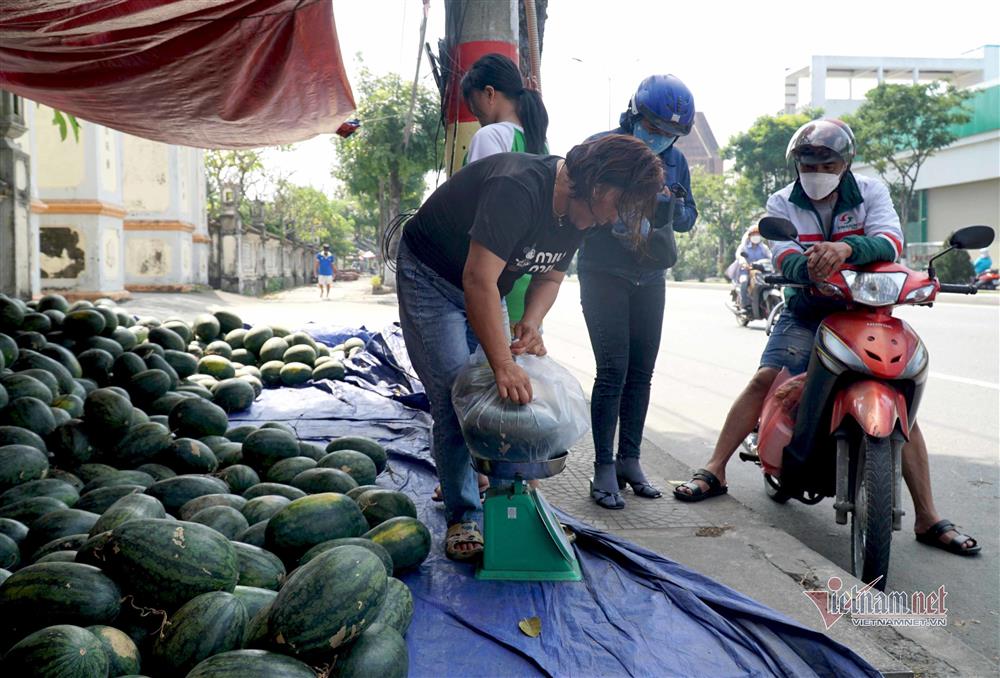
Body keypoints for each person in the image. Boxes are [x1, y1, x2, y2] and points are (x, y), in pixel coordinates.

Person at [673, 119, 980, 557]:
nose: (816, 170)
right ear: (796, 163)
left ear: (845, 163)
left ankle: (927, 516)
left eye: (827, 162)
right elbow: (785, 257)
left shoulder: (871, 192)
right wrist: (810, 265)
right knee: (766, 380)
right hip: (806, 312)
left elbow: (890, 241)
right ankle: (715, 467)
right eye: (807, 162)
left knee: (900, 407)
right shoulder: (782, 200)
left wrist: (845, 249)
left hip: (866, 311)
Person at [396, 135, 664, 560]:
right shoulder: (518, 188)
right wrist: (502, 363)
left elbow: (549, 278)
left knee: (504, 399)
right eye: (620, 204)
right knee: (455, 395)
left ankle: (511, 506)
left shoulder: (581, 216)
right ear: (599, 187)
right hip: (433, 277)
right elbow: (476, 280)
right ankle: (464, 515)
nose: (615, 217)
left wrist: (532, 323)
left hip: (487, 286)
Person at [428, 53, 551, 505]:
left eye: (475, 105)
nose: (476, 114)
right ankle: (515, 486)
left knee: (468, 386)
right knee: (507, 385)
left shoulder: (493, 136)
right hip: (521, 283)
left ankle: (473, 481)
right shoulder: (535, 140)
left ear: (491, 94)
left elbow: (476, 216)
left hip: (485, 275)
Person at [578, 74, 698, 509]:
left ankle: (631, 460)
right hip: (603, 272)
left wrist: (670, 203)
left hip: (650, 275)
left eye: (671, 134)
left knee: (641, 373)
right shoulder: (602, 146)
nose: (661, 139)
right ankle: (603, 468)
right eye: (655, 128)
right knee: (613, 371)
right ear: (634, 115)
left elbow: (688, 219)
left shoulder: (677, 161)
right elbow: (574, 202)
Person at [736, 225, 772, 311]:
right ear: (749, 236)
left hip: (761, 272)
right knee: (744, 282)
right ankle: (744, 305)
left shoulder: (764, 248)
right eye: (753, 234)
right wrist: (743, 262)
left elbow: (770, 256)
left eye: (757, 234)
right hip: (747, 272)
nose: (756, 236)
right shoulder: (744, 247)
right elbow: (739, 255)